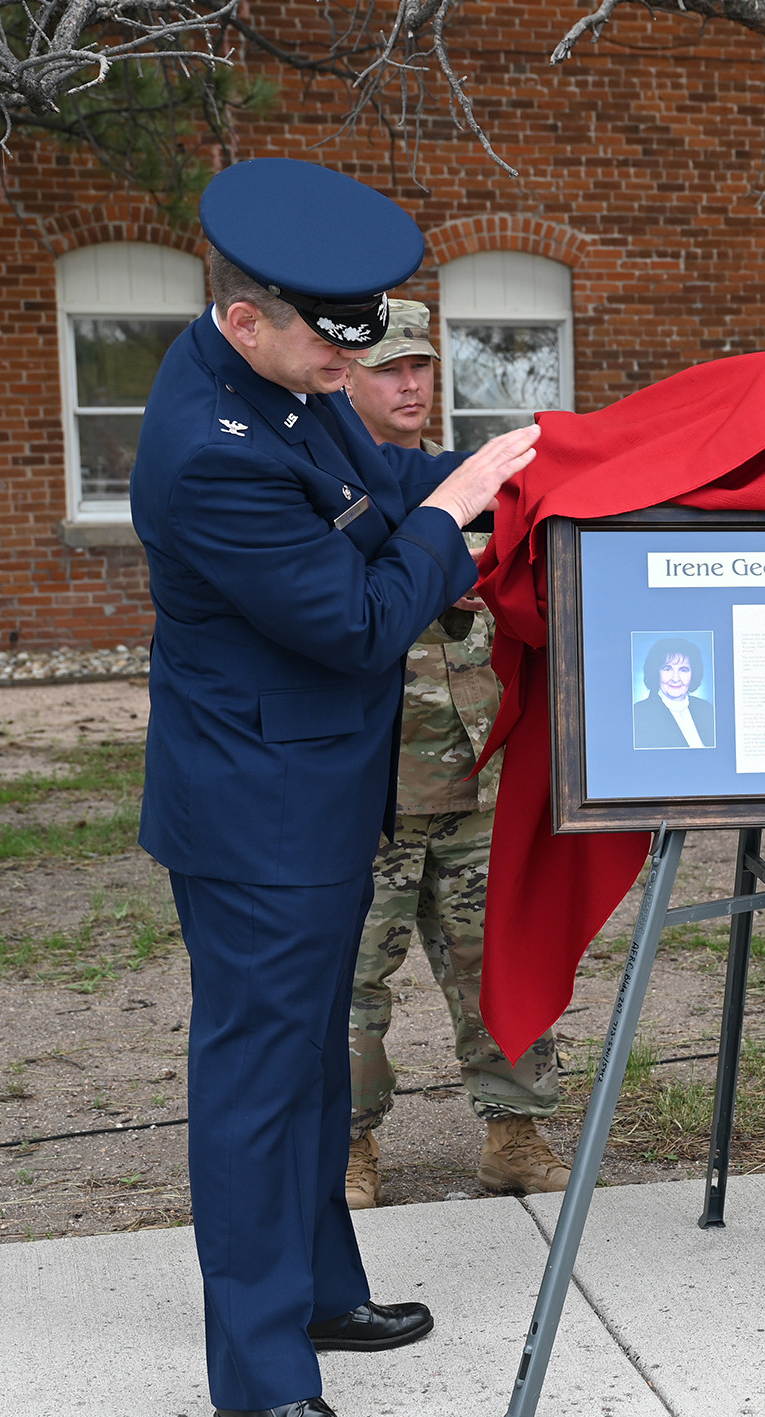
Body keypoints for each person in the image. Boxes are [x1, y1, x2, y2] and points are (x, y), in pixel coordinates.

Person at [131, 158, 539, 1417]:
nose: (349, 372)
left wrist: (509, 482)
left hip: (311, 787)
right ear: (246, 318)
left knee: (308, 1060)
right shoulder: (213, 451)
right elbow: (361, 619)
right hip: (257, 814)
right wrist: (456, 511)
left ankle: (317, 1290)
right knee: (255, 1087)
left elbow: (382, 499)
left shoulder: (286, 382)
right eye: (330, 347)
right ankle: (258, 1382)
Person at [340, 299, 572, 1211]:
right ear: (344, 376)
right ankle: (346, 1146)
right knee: (352, 978)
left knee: (494, 964)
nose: (410, 384)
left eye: (421, 367)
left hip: (479, 777)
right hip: (372, 788)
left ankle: (514, 1135)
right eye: (389, 368)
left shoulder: (479, 489)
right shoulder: (327, 492)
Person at [632, 636, 715, 748]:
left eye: (683, 670)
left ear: (693, 674)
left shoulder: (705, 708)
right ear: (655, 672)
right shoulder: (638, 714)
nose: (675, 679)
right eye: (667, 669)